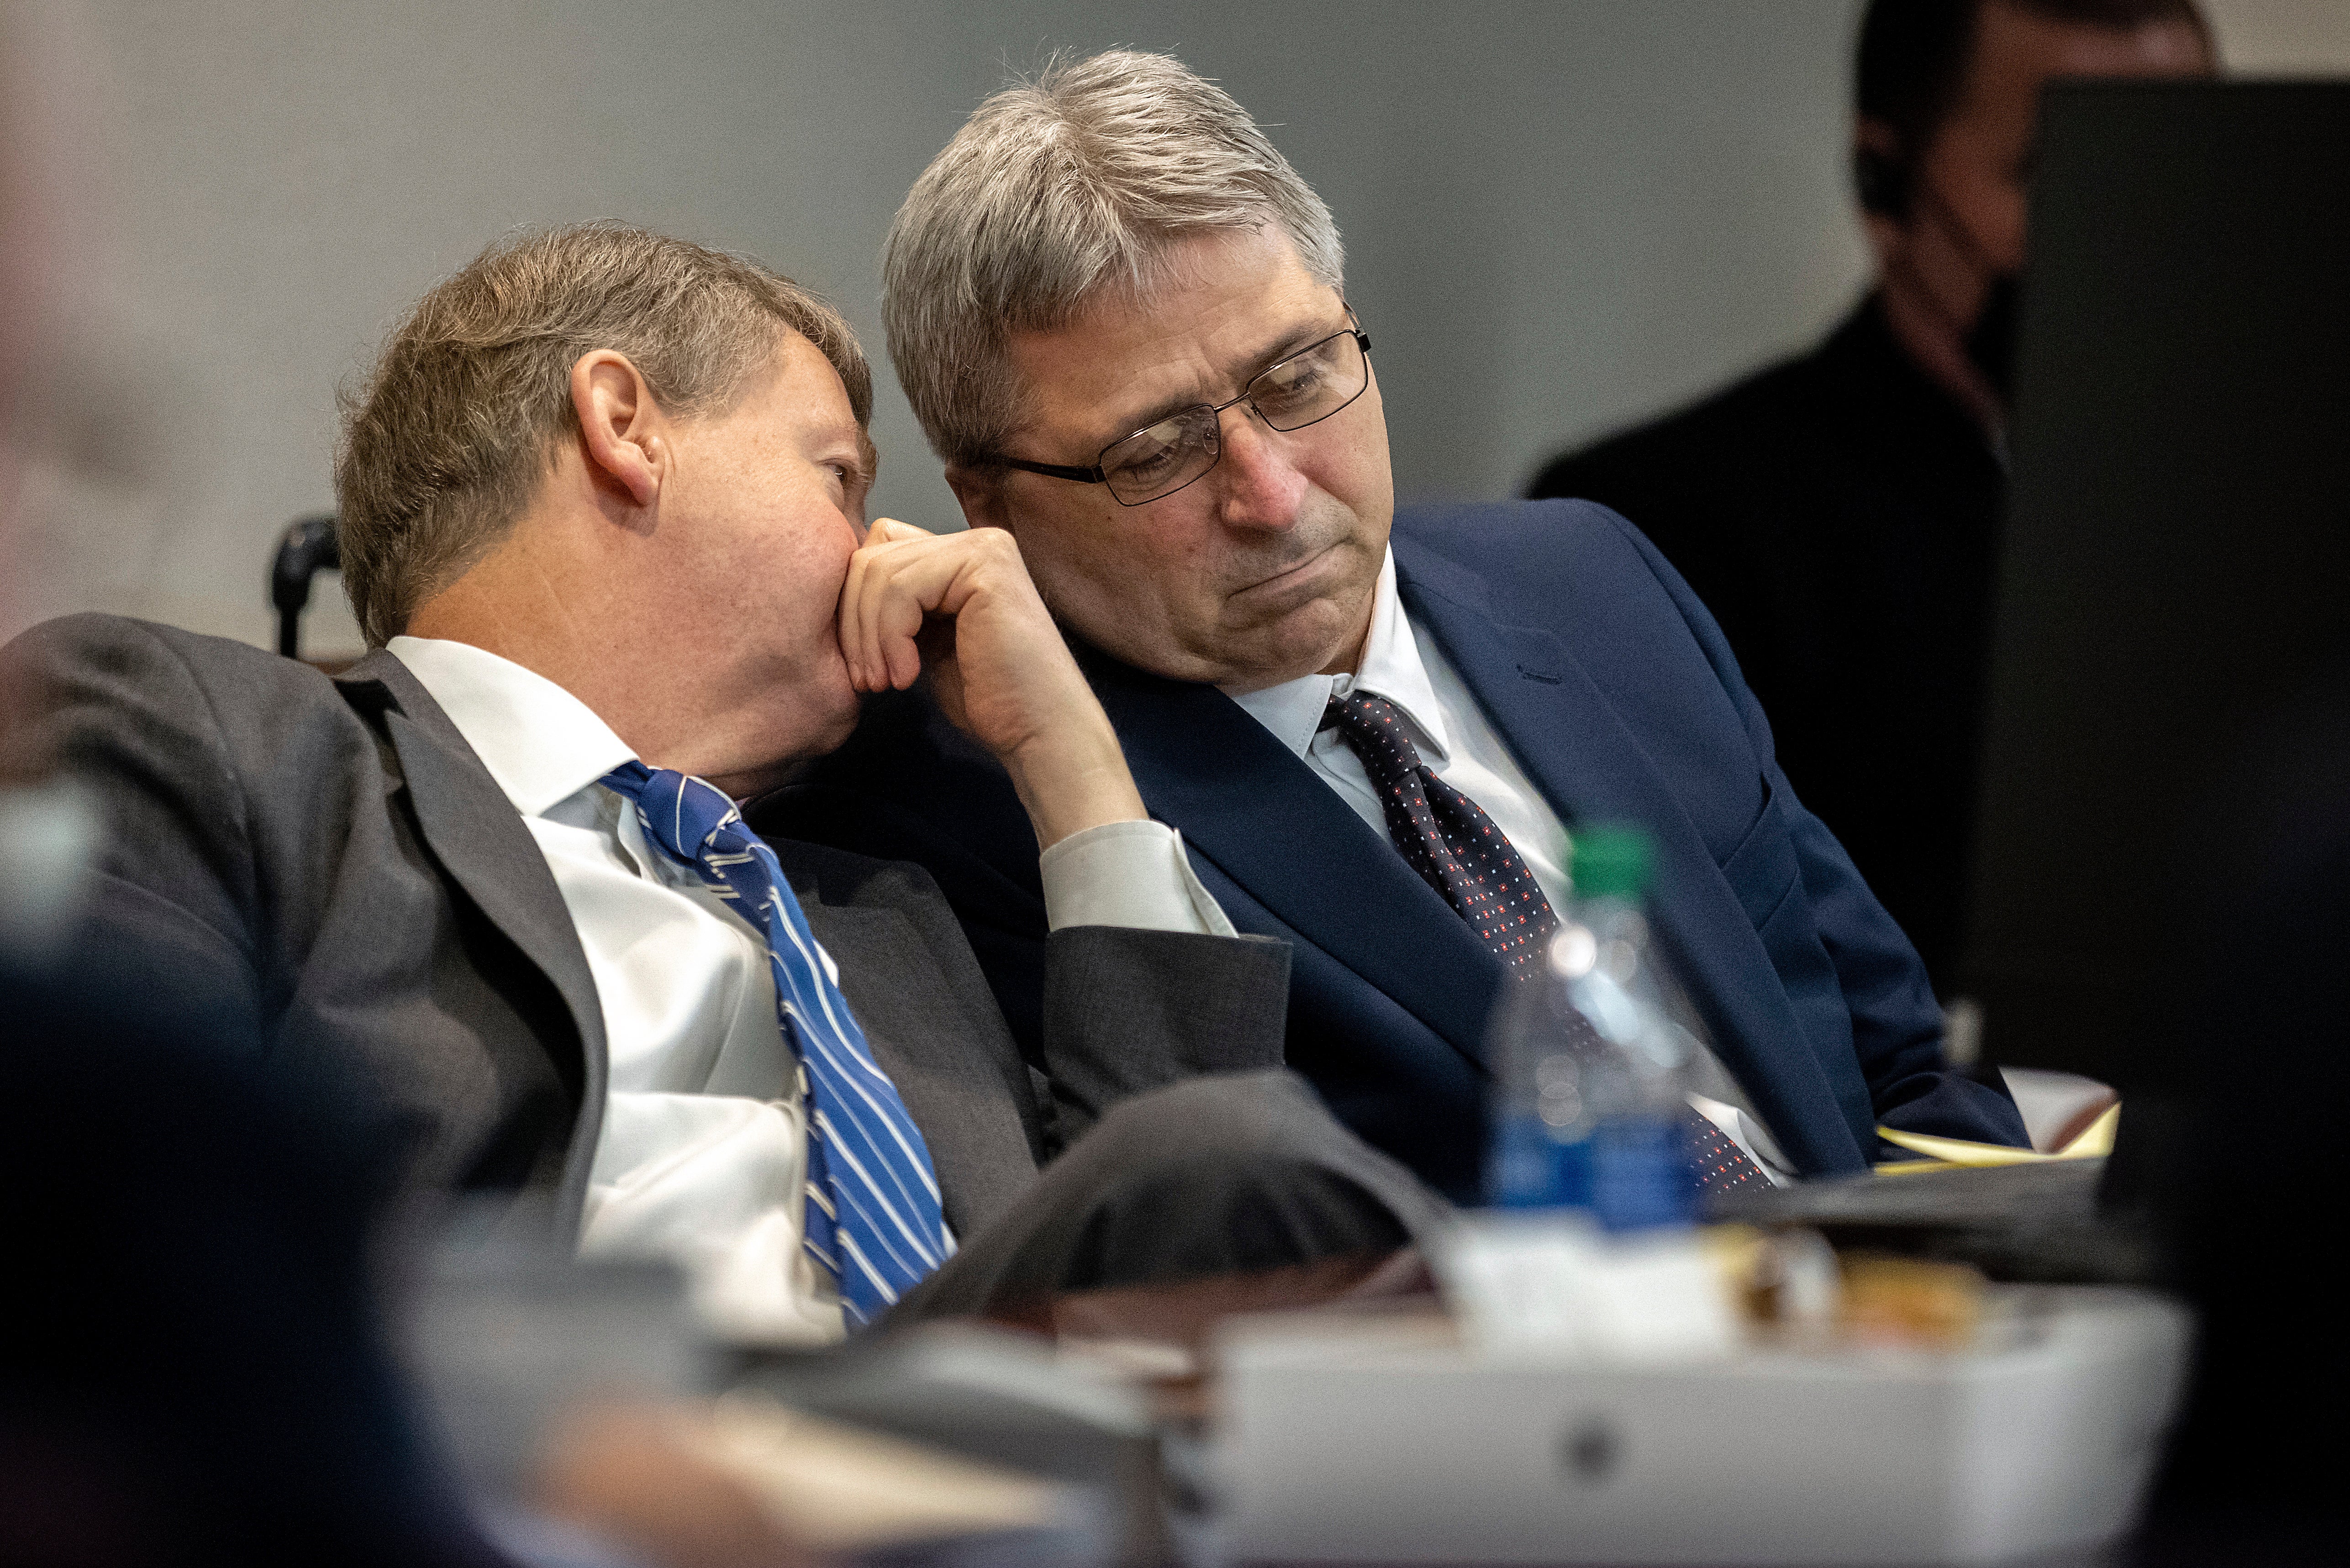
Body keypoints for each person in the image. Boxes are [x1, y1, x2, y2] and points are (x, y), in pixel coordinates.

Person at [5, 222, 1440, 1344]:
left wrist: (1074, 772)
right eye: (836, 474)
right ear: (627, 426)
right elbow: (99, 1238)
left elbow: (1192, 1275)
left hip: (979, 1481)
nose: (890, 540)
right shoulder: (220, 738)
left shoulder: (884, 904)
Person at [763, 51, 2029, 1208]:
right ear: (989, 500)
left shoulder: (1587, 576)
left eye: (1298, 376)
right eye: (1156, 448)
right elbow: (1168, 1239)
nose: (1270, 493)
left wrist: (1959, 1300)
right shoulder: (968, 813)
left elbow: (1904, 1065)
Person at [1527, 0, 2216, 989]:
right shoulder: (1668, 521)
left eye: (2178, 168)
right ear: (1883, 184)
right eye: (2060, 172)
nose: (2138, 226)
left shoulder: (2278, 513)